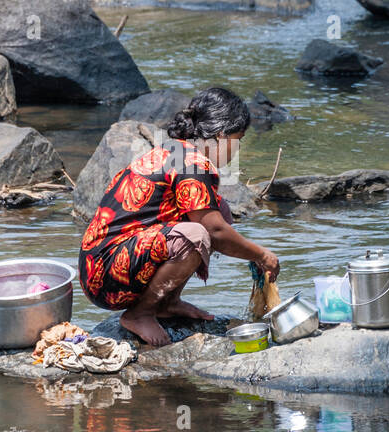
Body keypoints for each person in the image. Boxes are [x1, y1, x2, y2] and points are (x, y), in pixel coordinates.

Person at [78, 87, 280, 346]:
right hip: (104, 275)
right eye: (237, 141)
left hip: (113, 263)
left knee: (218, 208)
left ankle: (167, 303)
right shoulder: (189, 161)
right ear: (221, 135)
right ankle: (140, 313)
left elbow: (215, 222)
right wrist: (262, 255)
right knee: (196, 234)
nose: (236, 151)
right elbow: (215, 232)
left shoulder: (178, 152)